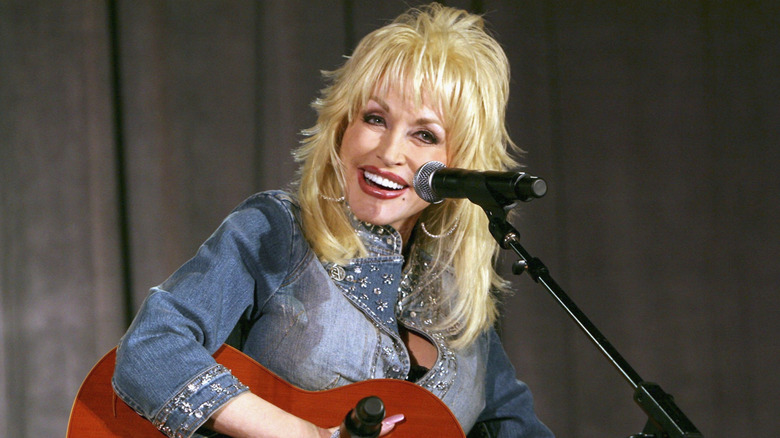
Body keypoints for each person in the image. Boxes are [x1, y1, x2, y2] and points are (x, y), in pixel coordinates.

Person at [112, 3, 554, 438]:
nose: (389, 151)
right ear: (342, 128)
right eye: (375, 118)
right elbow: (151, 348)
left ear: (459, 165)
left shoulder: (461, 299)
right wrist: (304, 435)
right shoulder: (278, 231)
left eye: (425, 135)